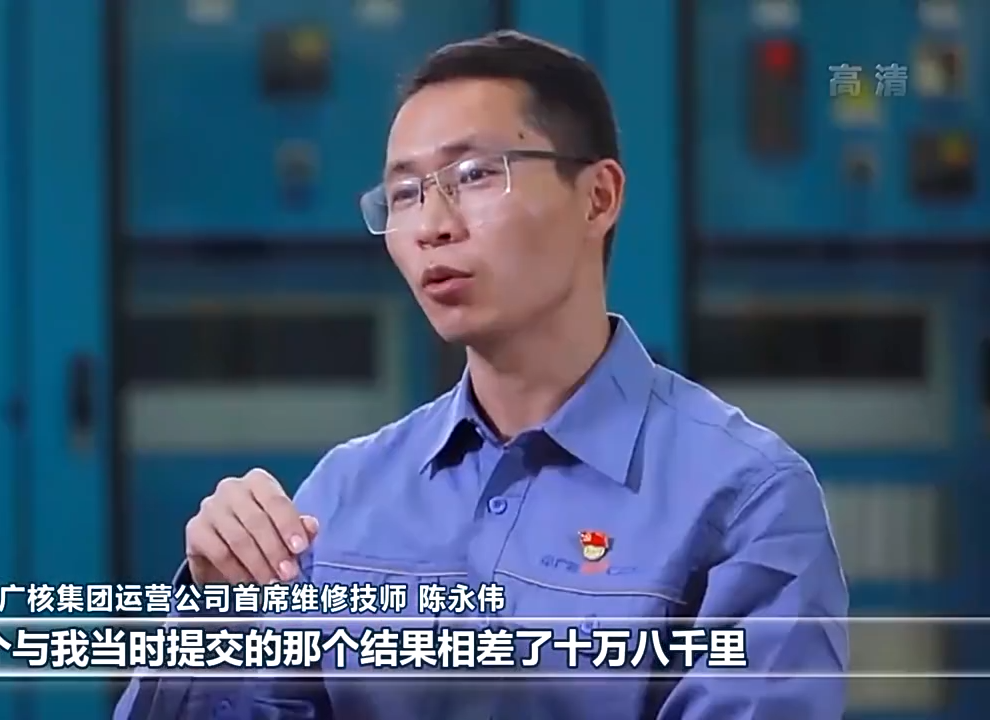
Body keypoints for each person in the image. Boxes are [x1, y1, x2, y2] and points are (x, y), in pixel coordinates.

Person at [116, 30, 848, 720]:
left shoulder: (744, 501)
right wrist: (217, 607)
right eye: (404, 193)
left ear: (598, 197)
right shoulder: (344, 495)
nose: (432, 225)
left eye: (473, 176)